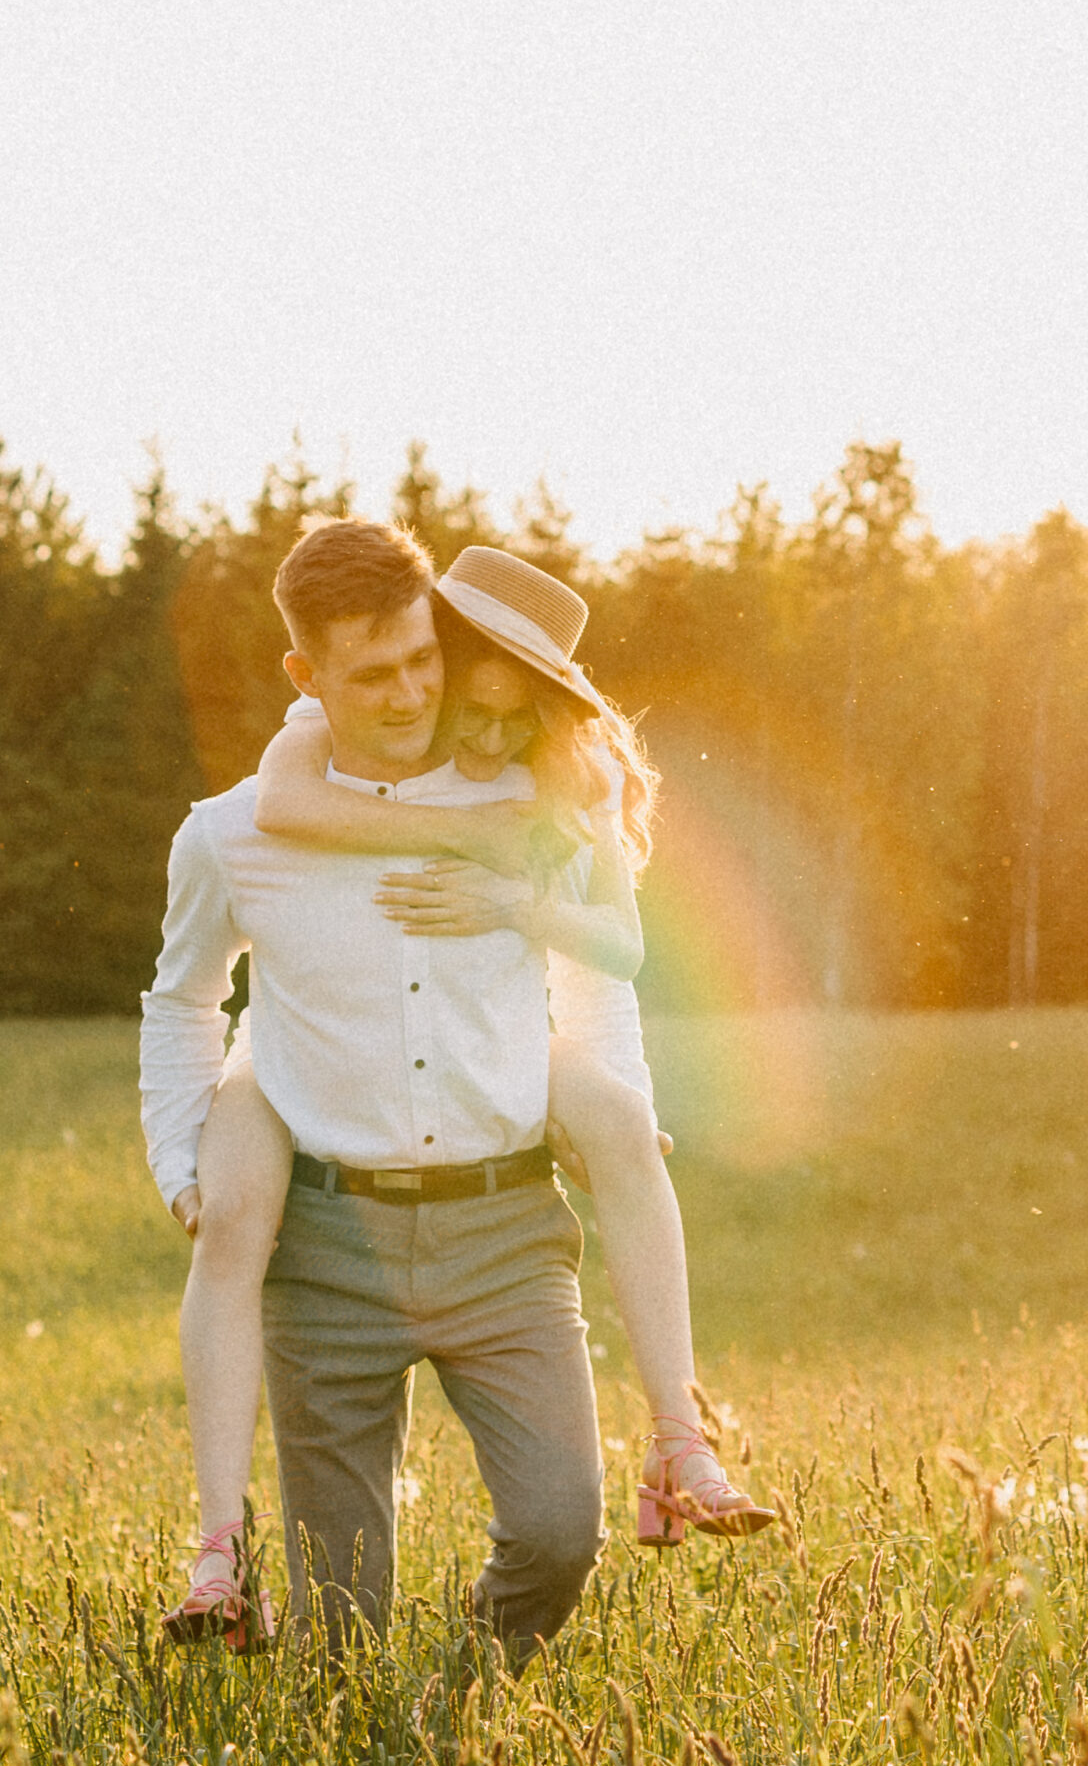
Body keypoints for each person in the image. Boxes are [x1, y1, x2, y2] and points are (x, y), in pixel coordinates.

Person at [246, 543, 773, 1557]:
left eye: (511, 717)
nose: (485, 736)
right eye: (469, 708)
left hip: (515, 1031)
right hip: (382, 1044)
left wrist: (518, 903)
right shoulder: (349, 723)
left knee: (623, 1128)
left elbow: (615, 955)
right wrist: (479, 826)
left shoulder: (573, 777)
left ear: (545, 705)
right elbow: (281, 802)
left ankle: (680, 1439)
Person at [138, 518, 602, 1660]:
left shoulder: (518, 804)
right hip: (329, 1248)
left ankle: (470, 1686)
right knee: (340, 1621)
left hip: (505, 1231)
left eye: (420, 659)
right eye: (371, 674)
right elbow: (181, 997)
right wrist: (184, 1158)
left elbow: (605, 958)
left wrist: (616, 1103)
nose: (406, 694)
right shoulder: (230, 835)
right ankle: (366, 1756)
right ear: (307, 678)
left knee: (558, 1533)